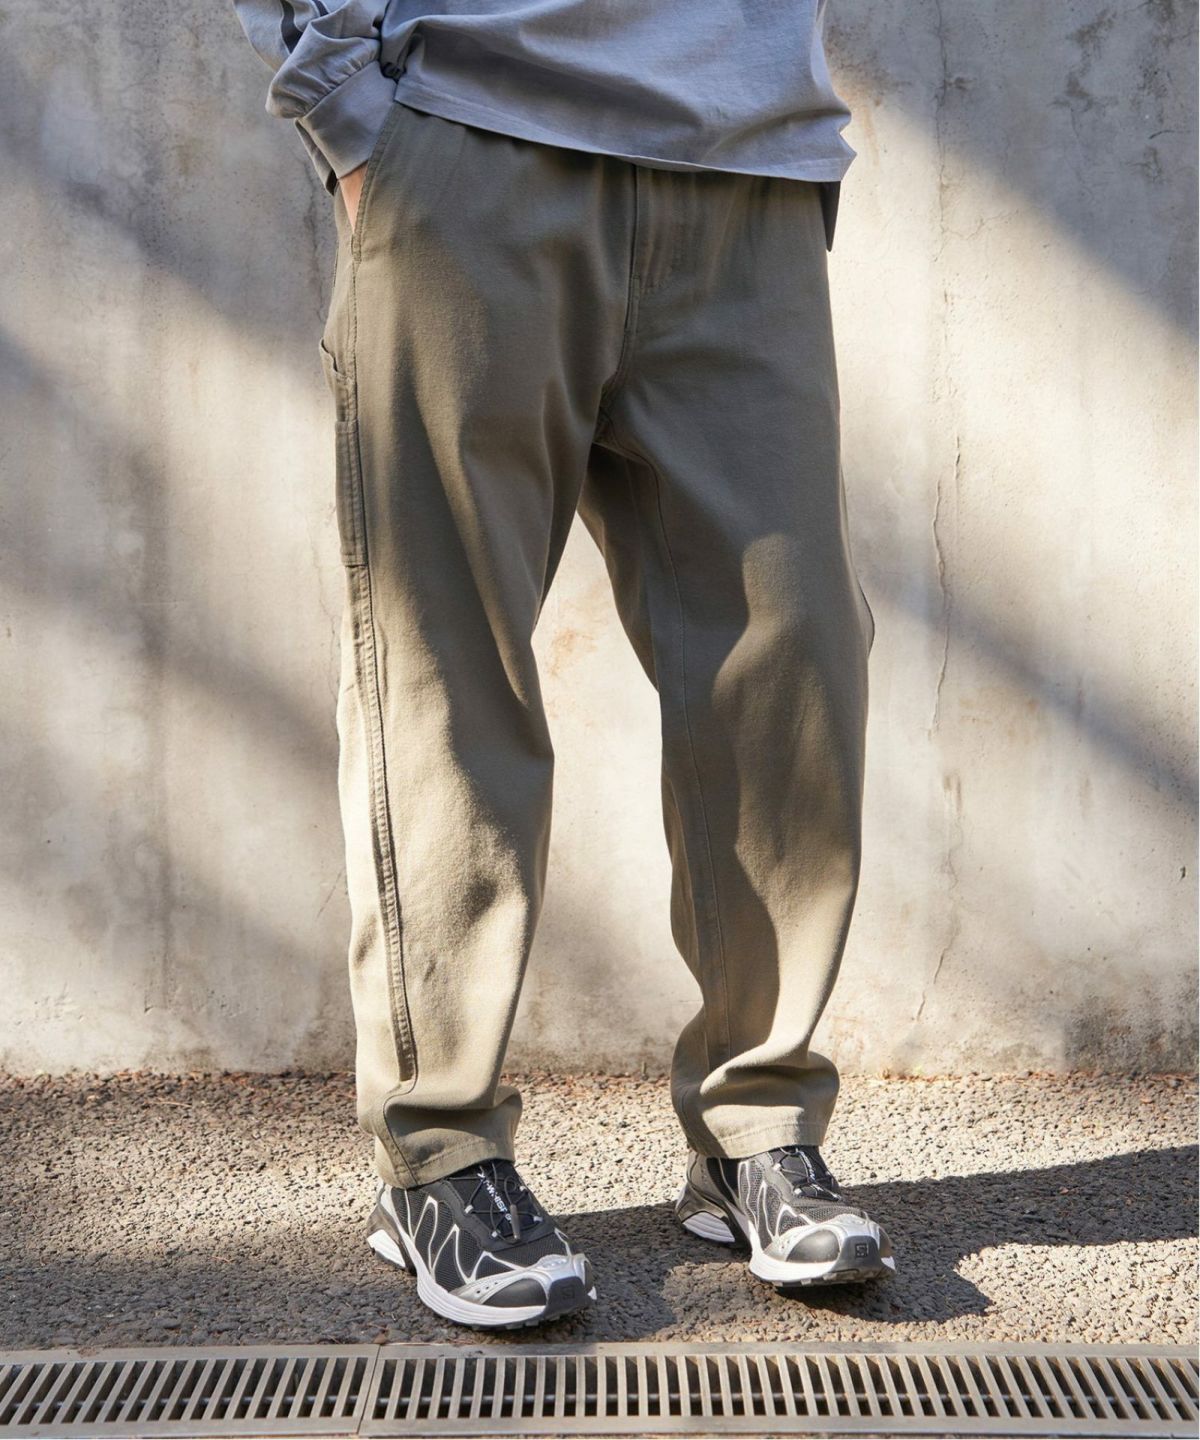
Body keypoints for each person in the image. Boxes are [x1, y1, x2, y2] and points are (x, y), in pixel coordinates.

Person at [232, 0, 893, 1330]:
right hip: (471, 138)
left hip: (746, 165)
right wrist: (348, 107)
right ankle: (439, 1153)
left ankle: (757, 1127)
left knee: (795, 659)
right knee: (445, 665)